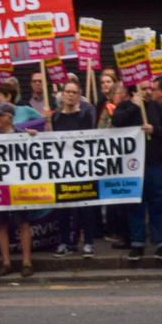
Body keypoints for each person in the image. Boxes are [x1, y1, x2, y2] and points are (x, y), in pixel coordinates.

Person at [0, 102, 38, 278]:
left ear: (9, 117)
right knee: (1, 224)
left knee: (23, 223)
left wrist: (35, 138)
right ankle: (6, 262)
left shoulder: (22, 135)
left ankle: (27, 262)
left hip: (19, 186)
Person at [47, 81, 100, 258]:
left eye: (74, 92)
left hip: (82, 168)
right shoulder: (55, 117)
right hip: (63, 170)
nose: (70, 95)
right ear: (62, 94)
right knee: (63, 208)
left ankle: (89, 243)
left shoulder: (84, 116)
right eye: (67, 92)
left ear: (79, 95)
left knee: (86, 207)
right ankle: (64, 242)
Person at [127, 76, 162, 264]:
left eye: (150, 88)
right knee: (136, 206)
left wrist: (154, 130)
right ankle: (137, 243)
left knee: (157, 204)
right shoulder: (127, 106)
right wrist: (133, 106)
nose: (148, 91)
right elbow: (117, 122)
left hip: (155, 164)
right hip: (133, 167)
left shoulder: (156, 107)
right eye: (144, 88)